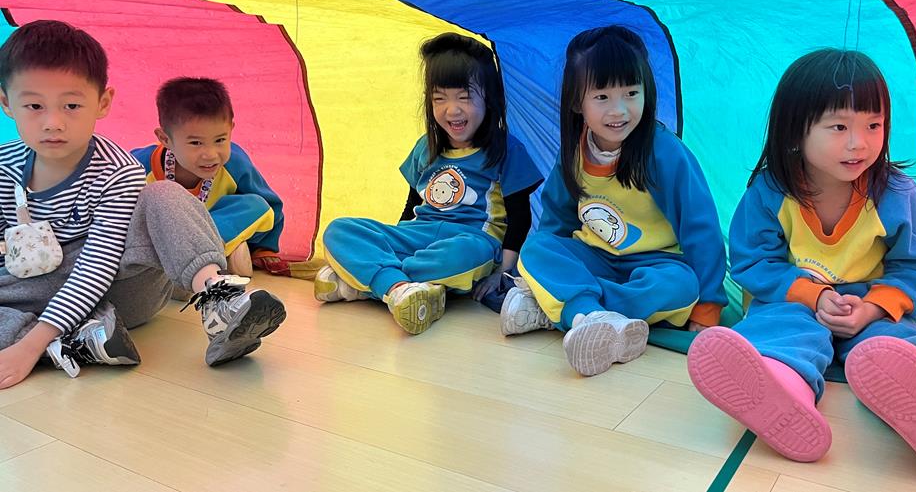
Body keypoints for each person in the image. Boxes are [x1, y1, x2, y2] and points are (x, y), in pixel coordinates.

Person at [687, 49, 916, 488]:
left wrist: (872, 308)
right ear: (795, 131)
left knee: (889, 347)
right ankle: (783, 389)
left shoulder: (895, 194)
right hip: (797, 300)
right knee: (781, 330)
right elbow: (754, 261)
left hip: (872, 303)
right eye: (839, 127)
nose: (859, 143)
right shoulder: (770, 192)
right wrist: (813, 295)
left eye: (873, 125)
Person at [0, 20, 286, 389]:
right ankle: (79, 342)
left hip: (120, 289)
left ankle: (218, 300)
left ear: (103, 103)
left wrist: (29, 346)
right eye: (34, 106)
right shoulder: (5, 166)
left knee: (163, 193)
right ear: (7, 103)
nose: (53, 122)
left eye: (71, 105)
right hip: (31, 292)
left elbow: (97, 266)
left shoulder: (119, 171)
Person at [505, 26, 727, 377]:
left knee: (682, 286)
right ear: (577, 102)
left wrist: (709, 305)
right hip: (595, 258)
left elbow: (701, 229)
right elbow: (557, 221)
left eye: (631, 93)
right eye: (602, 97)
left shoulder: (665, 153)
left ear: (647, 92)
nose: (619, 110)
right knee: (536, 250)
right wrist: (548, 262)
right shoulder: (574, 153)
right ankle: (588, 314)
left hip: (655, 265)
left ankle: (567, 309)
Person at [314, 32, 541, 334]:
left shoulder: (506, 150)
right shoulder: (426, 147)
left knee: (466, 254)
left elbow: (520, 218)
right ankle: (401, 288)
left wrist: (502, 271)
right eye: (439, 98)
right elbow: (411, 206)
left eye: (464, 97)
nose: (452, 109)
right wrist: (393, 237)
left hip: (469, 239)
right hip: (416, 236)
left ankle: (370, 282)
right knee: (340, 230)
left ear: (489, 97)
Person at [133, 77, 287, 277]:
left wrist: (264, 249)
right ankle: (222, 257)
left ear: (231, 130)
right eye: (196, 143)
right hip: (163, 239)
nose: (211, 154)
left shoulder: (235, 162)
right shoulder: (138, 166)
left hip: (218, 227)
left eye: (220, 140)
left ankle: (209, 256)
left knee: (257, 205)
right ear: (165, 139)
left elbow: (269, 205)